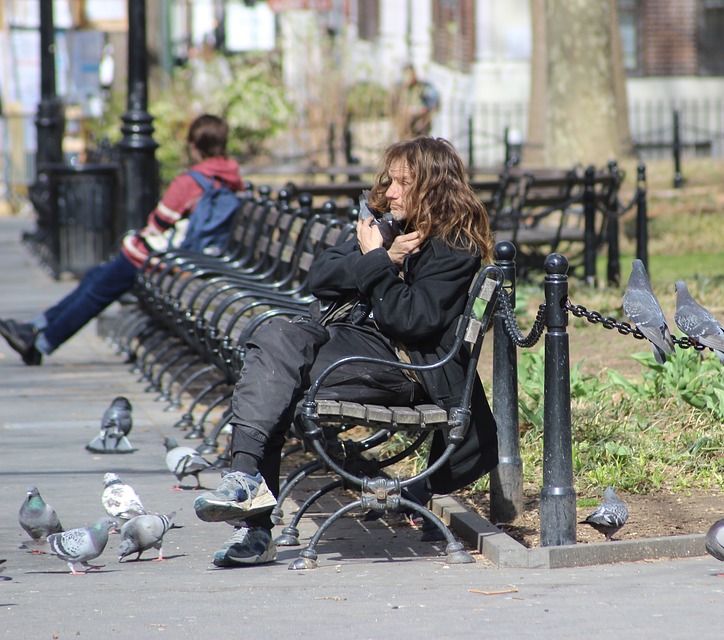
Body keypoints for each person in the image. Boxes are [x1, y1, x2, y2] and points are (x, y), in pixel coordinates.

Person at [193, 136, 498, 567]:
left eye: (403, 183)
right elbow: (321, 276)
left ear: (433, 186)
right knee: (276, 339)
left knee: (277, 375)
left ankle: (257, 529)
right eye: (390, 180)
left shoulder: (453, 247)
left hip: (400, 366)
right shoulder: (384, 224)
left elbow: (409, 320)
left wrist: (377, 260)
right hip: (349, 343)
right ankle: (243, 478)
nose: (390, 192)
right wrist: (382, 254)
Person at [0, 114, 243, 366]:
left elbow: (159, 223)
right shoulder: (232, 178)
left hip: (169, 260)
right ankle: (35, 330)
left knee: (100, 287)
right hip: (194, 257)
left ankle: (39, 342)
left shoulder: (190, 181)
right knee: (96, 277)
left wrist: (136, 239)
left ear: (194, 145)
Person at [394, 64, 440, 139]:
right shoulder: (399, 89)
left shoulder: (424, 87)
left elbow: (434, 104)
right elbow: (394, 109)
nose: (409, 77)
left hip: (420, 125)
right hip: (405, 127)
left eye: (411, 74)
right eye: (406, 75)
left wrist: (424, 114)